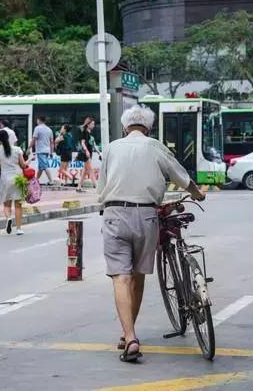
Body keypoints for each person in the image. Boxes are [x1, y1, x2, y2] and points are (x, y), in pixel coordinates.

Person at [97, 105, 205, 363]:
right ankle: (129, 332)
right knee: (137, 278)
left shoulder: (111, 147)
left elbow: (101, 187)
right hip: (146, 216)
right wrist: (197, 194)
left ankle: (130, 336)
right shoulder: (155, 146)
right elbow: (181, 177)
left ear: (125, 127)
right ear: (149, 128)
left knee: (120, 278)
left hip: (114, 214)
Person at [0, 130, 28, 235]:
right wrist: (31, 159)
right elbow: (23, 165)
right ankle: (19, 229)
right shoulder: (17, 149)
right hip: (18, 178)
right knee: (18, 205)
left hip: (5, 179)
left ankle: (9, 218)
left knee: (7, 205)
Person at [76, 117, 99, 192]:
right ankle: (97, 186)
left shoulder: (89, 133)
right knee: (91, 170)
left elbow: (93, 145)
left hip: (89, 153)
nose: (93, 125)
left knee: (85, 171)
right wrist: (86, 151)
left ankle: (79, 187)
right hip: (86, 153)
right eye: (92, 124)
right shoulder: (85, 132)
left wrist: (99, 153)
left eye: (94, 124)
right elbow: (82, 143)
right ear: (88, 124)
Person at [30, 116, 55, 185]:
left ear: (39, 120)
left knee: (44, 166)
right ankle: (36, 181)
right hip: (47, 151)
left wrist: (29, 148)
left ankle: (51, 181)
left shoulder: (37, 128)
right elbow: (52, 142)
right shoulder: (49, 129)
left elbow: (34, 139)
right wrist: (51, 152)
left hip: (40, 150)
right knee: (41, 167)